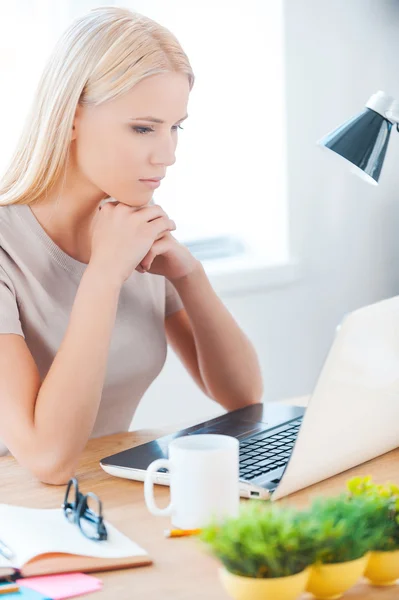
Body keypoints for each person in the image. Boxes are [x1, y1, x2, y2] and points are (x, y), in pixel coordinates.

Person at [0, 6, 263, 484]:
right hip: (19, 515)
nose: (168, 154)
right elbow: (47, 459)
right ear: (71, 118)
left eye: (175, 127)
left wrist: (190, 276)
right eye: (144, 128)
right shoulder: (8, 249)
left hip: (107, 492)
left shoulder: (131, 227)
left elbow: (243, 398)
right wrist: (103, 275)